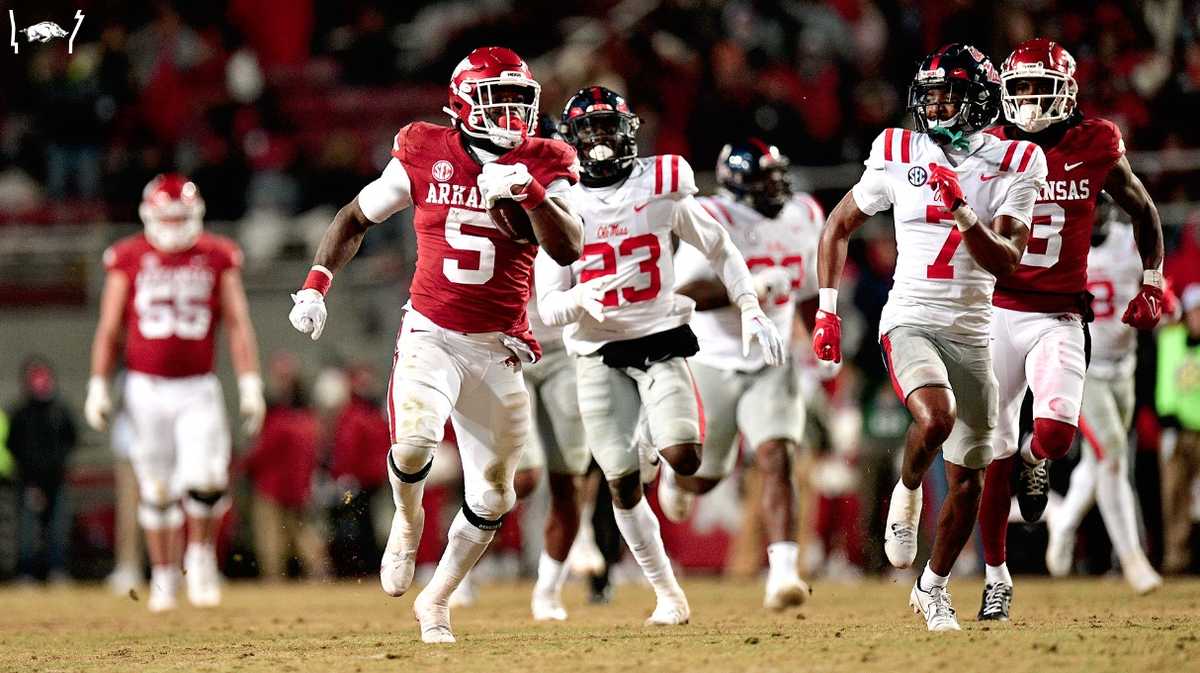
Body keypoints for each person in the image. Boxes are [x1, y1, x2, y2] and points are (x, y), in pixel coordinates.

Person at [287, 46, 583, 643]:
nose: (510, 114)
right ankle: (407, 518)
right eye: (497, 100)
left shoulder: (545, 160)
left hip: (499, 345)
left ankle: (437, 600)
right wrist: (316, 284)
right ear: (463, 104)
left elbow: (569, 246)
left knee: (495, 495)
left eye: (518, 101)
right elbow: (355, 216)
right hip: (432, 331)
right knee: (415, 440)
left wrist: (530, 193)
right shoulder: (425, 149)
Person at [813, 43, 1046, 631]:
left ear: (979, 101)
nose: (936, 106)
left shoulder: (1018, 160)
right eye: (931, 95)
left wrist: (963, 210)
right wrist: (826, 310)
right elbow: (838, 224)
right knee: (937, 417)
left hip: (974, 331)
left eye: (949, 95)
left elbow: (1007, 261)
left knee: (970, 479)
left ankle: (932, 587)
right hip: (910, 318)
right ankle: (908, 487)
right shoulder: (897, 151)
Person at [536, 86, 786, 626]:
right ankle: (668, 594)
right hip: (597, 351)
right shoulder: (560, 202)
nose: (600, 140)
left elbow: (718, 246)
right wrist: (578, 299)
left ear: (628, 131)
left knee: (686, 458)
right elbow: (548, 305)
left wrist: (749, 305)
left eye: (608, 127)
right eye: (589, 131)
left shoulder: (662, 182)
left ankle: (656, 445)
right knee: (620, 482)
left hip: (659, 339)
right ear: (572, 141)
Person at [975, 38, 1166, 620]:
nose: (1031, 99)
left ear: (1067, 92)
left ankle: (1037, 459)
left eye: (1042, 87)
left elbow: (1143, 209)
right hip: (996, 310)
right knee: (990, 449)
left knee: (1056, 437)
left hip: (1059, 312)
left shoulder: (1095, 141)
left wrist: (1152, 281)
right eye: (1022, 87)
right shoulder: (989, 143)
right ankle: (996, 579)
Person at [84, 174, 266, 612]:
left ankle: (200, 557)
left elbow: (237, 323)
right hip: (144, 388)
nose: (173, 227)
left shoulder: (217, 254)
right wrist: (98, 383)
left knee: (207, 479)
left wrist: (250, 382)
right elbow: (110, 327)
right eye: (167, 218)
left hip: (197, 386)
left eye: (180, 218)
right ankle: (164, 575)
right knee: (157, 487)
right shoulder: (128, 256)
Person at [668, 138, 822, 610]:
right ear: (737, 185)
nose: (776, 187)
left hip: (771, 358)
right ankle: (675, 478)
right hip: (711, 359)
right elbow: (686, 291)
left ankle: (783, 573)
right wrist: (747, 289)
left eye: (778, 177)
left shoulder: (804, 214)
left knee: (778, 454)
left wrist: (821, 335)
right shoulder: (710, 215)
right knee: (702, 478)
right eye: (763, 180)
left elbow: (809, 289)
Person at [1044, 194, 1163, 593]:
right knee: (1112, 453)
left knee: (1099, 461)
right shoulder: (1061, 244)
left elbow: (1159, 282)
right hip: (1084, 368)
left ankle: (1064, 520)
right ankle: (1132, 559)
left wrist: (1161, 299)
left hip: (1124, 366)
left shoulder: (1129, 242)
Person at [243, 352, 330, 581]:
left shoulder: (278, 418)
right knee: (301, 531)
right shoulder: (307, 418)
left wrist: (243, 466)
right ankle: (319, 572)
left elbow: (261, 452)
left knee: (270, 535)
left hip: (272, 486)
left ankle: (274, 578)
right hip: (298, 486)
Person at [8, 358, 77, 582]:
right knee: (27, 529)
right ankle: (26, 571)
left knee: (58, 527)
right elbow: (14, 446)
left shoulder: (60, 412)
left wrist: (59, 465)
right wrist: (29, 477)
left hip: (56, 480)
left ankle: (57, 568)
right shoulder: (20, 414)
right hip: (29, 481)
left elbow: (71, 440)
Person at [1158, 284, 1200, 573]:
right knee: (1174, 496)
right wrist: (1166, 414)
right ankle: (1176, 558)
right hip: (1177, 428)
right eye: (1195, 311)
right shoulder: (1170, 339)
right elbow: (1161, 376)